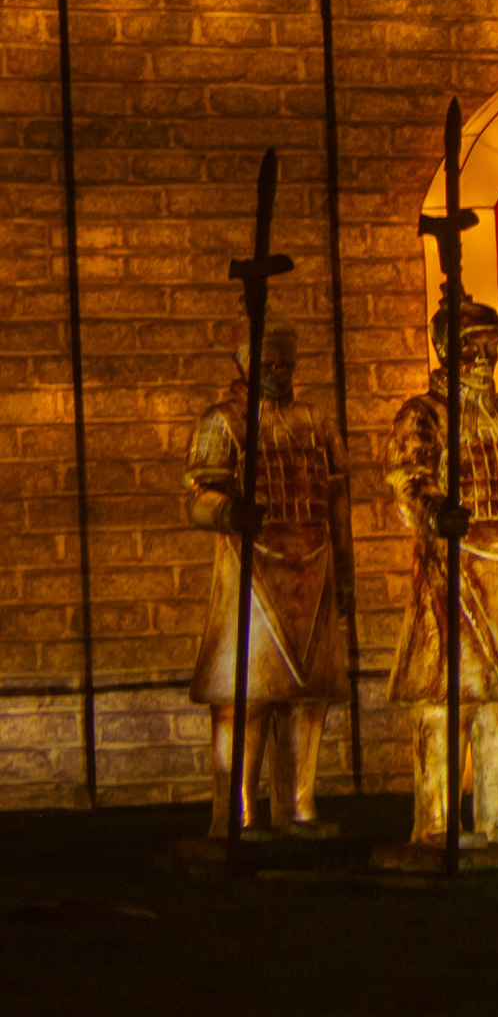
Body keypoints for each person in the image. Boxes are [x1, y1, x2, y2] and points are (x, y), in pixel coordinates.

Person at [383, 299, 498, 851]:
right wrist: (435, 511)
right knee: (444, 703)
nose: (484, 359)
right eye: (470, 348)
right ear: (443, 349)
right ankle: (436, 821)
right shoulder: (423, 415)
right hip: (451, 576)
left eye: (490, 347)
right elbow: (408, 481)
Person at [186, 322, 346, 840]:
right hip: (250, 574)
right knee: (244, 700)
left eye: (286, 364)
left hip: (312, 571)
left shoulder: (315, 421)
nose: (280, 373)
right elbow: (199, 497)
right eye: (269, 364)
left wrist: (345, 576)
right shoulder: (222, 422)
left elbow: (337, 501)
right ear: (244, 364)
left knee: (307, 698)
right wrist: (231, 513)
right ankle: (234, 816)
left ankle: (298, 809)